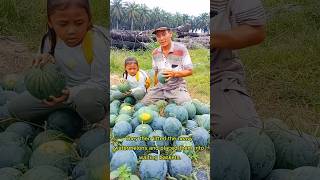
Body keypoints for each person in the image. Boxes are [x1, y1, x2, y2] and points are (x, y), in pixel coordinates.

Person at [8, 0, 108, 127]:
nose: (71, 30)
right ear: (50, 22)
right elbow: (44, 69)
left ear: (89, 20)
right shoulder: (50, 40)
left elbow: (102, 84)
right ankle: (66, 115)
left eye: (79, 23)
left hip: (90, 93)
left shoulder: (97, 42)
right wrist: (43, 62)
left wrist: (70, 94)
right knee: (16, 109)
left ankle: (91, 122)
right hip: (60, 93)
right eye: (63, 24)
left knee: (87, 103)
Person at [211, 0, 266, 138]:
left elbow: (255, 30)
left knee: (242, 133)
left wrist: (210, 39)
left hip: (216, 73)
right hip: (169, 73)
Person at [141, 22, 193, 105]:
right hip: (161, 88)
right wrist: (155, 88)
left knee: (186, 105)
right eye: (158, 36)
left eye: (164, 34)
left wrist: (174, 74)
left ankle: (173, 98)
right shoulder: (155, 53)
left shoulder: (181, 49)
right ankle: (165, 99)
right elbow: (156, 73)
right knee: (143, 104)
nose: (161, 38)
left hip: (176, 87)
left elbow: (189, 71)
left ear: (170, 34)